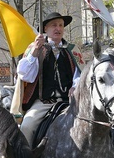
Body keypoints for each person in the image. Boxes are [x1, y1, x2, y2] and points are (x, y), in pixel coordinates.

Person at [15, 11, 83, 147]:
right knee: (26, 127)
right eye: (54, 25)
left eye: (61, 25)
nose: (58, 28)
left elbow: (80, 75)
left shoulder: (72, 50)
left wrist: (75, 86)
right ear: (45, 29)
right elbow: (24, 74)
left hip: (69, 102)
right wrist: (35, 51)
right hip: (44, 102)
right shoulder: (35, 48)